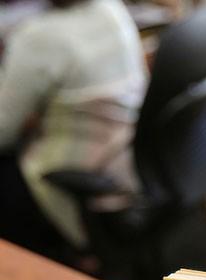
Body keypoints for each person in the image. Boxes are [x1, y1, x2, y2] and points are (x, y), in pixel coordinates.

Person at [0, 0, 147, 261]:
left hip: (63, 177)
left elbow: (4, 133)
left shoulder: (38, 37)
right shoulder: (110, 9)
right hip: (124, 161)